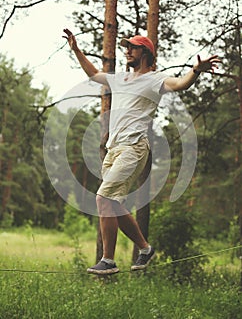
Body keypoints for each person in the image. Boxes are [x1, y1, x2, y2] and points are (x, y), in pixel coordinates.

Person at [63, 28, 221, 275]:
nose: (127, 51)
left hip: (133, 147)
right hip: (112, 151)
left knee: (103, 199)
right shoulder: (120, 79)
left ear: (145, 52)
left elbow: (180, 84)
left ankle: (108, 260)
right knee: (113, 204)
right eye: (126, 47)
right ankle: (145, 249)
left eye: (132, 47)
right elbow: (94, 74)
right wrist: (76, 50)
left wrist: (196, 71)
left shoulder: (155, 79)